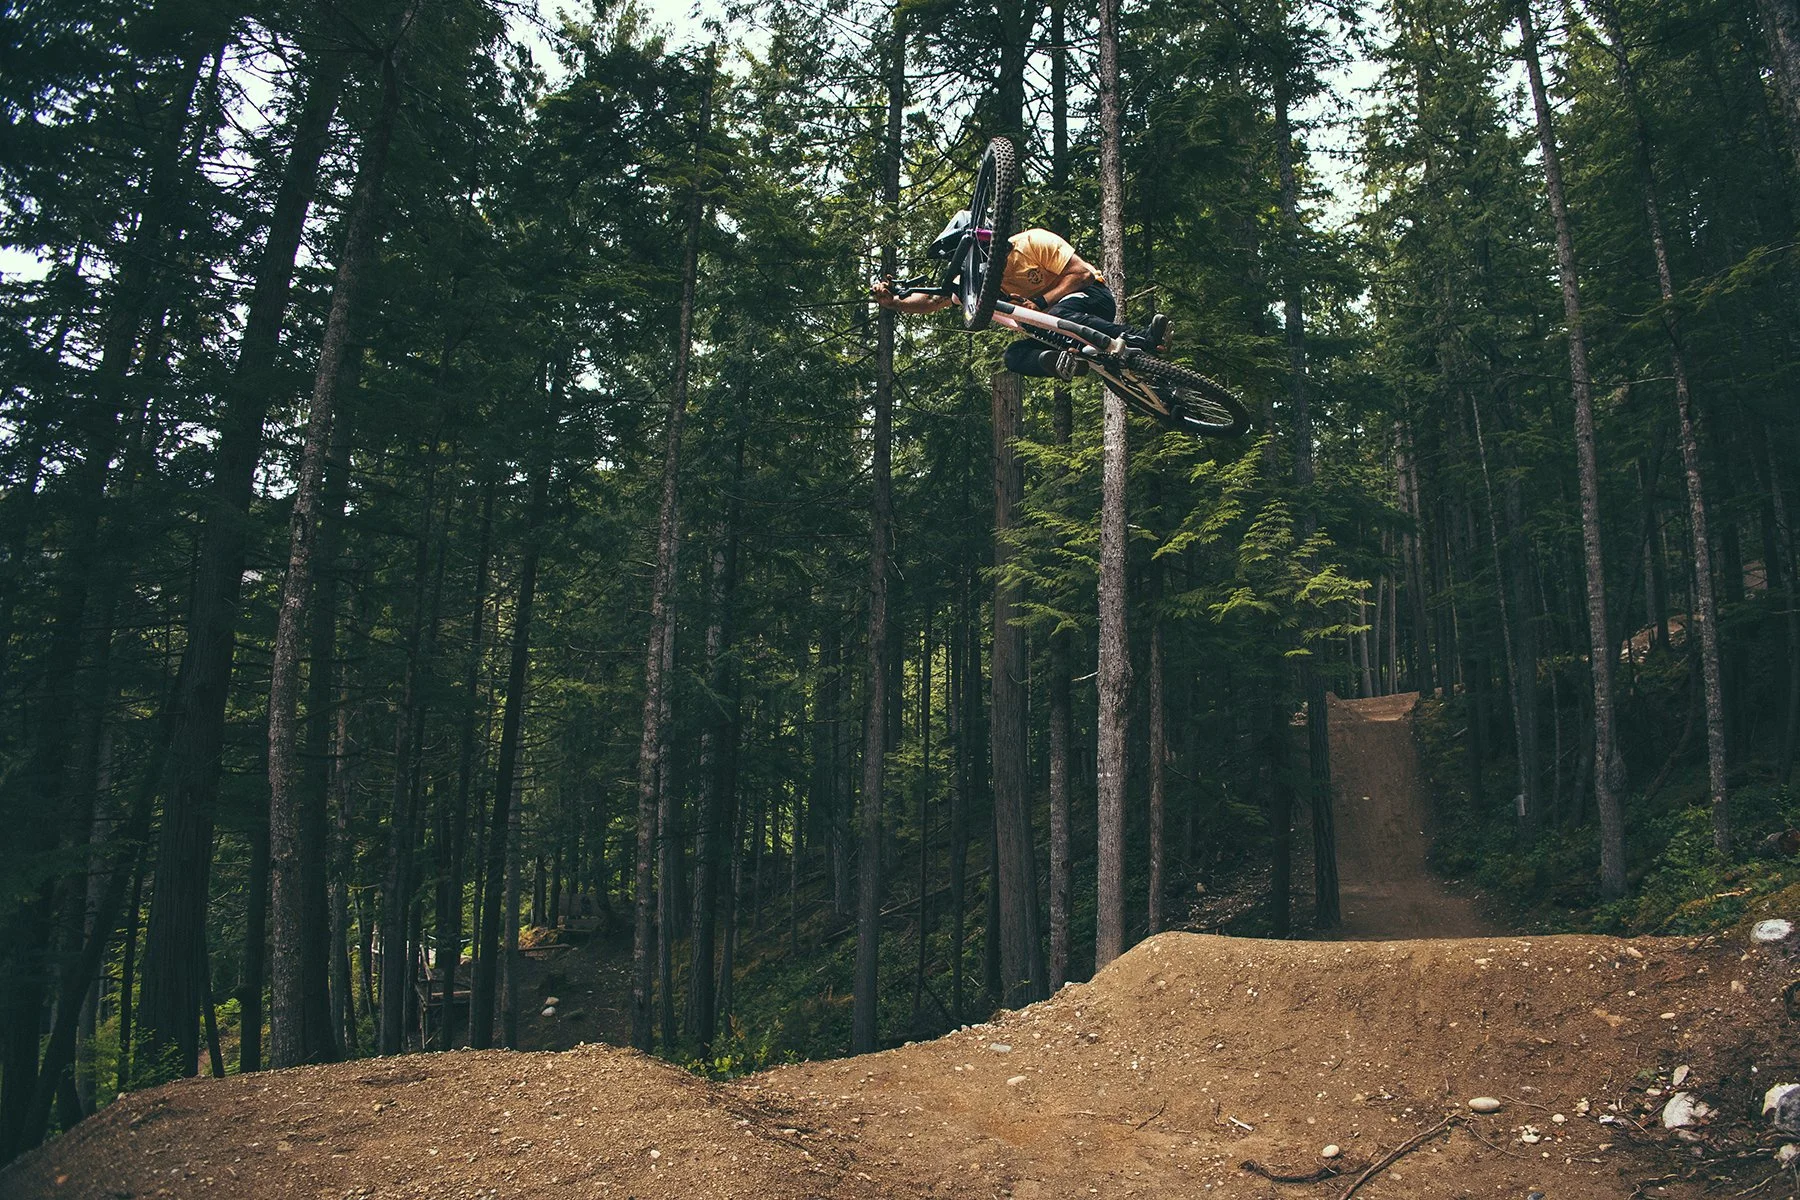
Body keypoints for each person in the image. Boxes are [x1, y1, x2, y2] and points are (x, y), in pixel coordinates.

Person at [870, 214, 1169, 381]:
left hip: (1090, 297)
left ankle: (1145, 338)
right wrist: (895, 302)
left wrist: (1040, 303)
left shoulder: (1033, 242)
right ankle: (1065, 363)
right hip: (1052, 328)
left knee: (1060, 315)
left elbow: (1083, 275)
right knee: (1013, 356)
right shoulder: (978, 279)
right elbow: (935, 300)